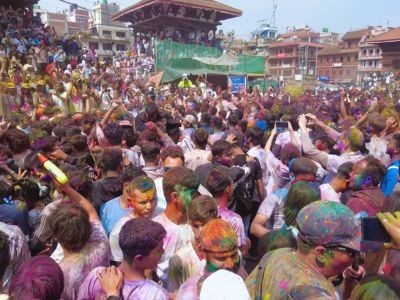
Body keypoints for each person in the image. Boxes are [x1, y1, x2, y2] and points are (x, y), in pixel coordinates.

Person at [246, 201, 361, 299]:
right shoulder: (317, 296)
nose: (355, 258)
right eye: (351, 252)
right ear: (321, 253)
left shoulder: (276, 255)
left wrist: (348, 283)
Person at [78, 218, 169, 300]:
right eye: (158, 250)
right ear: (139, 259)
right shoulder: (155, 295)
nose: (163, 251)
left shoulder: (96, 276)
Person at [50, 179, 110, 299]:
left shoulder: (58, 274)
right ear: (89, 228)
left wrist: (65, 188)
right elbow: (91, 210)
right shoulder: (100, 242)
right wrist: (67, 188)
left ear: (56, 236)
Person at [152, 166, 200, 288]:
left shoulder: (198, 224)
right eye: (192, 194)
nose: (196, 198)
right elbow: (148, 272)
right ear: (175, 197)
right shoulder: (156, 230)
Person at [250, 157, 318, 238]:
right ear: (292, 176)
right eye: (304, 181)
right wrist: (280, 239)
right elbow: (255, 227)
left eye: (311, 182)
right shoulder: (276, 197)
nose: (307, 185)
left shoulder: (315, 195)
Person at [176, 219, 242, 300]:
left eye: (233, 255)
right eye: (221, 258)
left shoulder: (241, 276)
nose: (230, 264)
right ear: (203, 253)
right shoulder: (190, 294)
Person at [109, 176, 157, 263]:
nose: (149, 207)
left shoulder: (162, 215)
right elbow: (118, 263)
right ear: (130, 202)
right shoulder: (120, 230)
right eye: (143, 202)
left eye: (153, 200)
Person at [100, 166, 146, 235]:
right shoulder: (106, 209)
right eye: (139, 185)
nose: (144, 188)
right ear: (126, 185)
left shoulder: (147, 207)